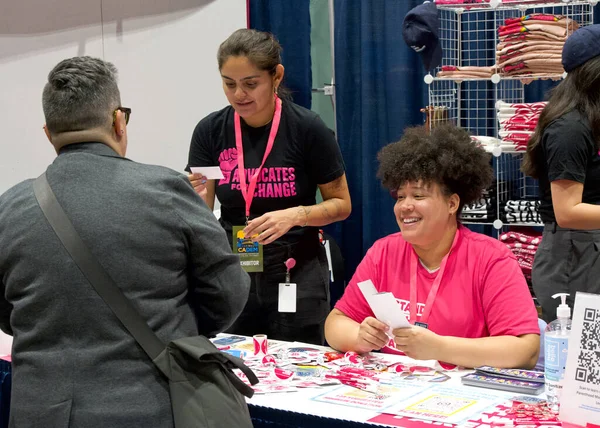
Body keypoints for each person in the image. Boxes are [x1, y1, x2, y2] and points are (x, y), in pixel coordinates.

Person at [0, 56, 250, 427]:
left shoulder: (9, 209)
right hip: (147, 407)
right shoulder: (167, 191)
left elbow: (8, 317)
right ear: (119, 121)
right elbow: (227, 294)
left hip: (39, 411)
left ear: (48, 133)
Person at [325, 124, 540, 369]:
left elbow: (525, 350)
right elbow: (335, 323)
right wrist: (360, 337)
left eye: (418, 196)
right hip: (392, 390)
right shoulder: (383, 252)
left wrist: (438, 348)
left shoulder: (490, 258)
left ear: (452, 204)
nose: (405, 206)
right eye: (400, 196)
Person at [186, 29, 351, 345]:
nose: (239, 95)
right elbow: (201, 212)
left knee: (299, 366)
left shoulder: (307, 128)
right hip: (235, 266)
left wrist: (295, 215)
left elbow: (341, 204)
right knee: (235, 366)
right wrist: (190, 194)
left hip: (296, 268)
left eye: (250, 84)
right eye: (229, 84)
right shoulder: (209, 131)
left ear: (276, 76)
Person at [522, 24, 600, 323]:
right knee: (579, 356)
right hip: (576, 258)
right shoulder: (569, 128)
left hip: (586, 251)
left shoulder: (590, 122)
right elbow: (567, 212)